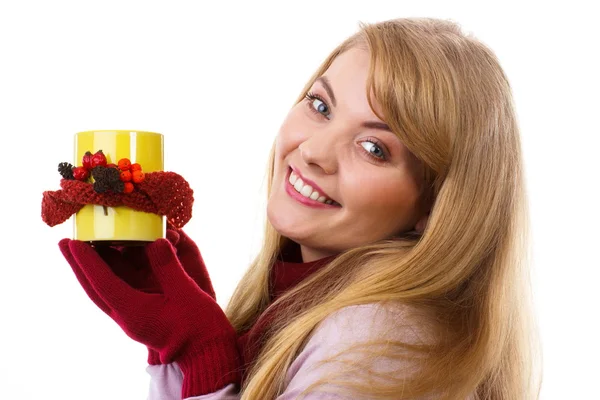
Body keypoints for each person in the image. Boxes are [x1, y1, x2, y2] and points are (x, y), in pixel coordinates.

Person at [58, 17, 541, 399]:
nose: (313, 151)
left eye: (374, 147)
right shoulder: (303, 302)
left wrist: (200, 348)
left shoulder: (380, 337)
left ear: (436, 207)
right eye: (321, 105)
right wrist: (182, 351)